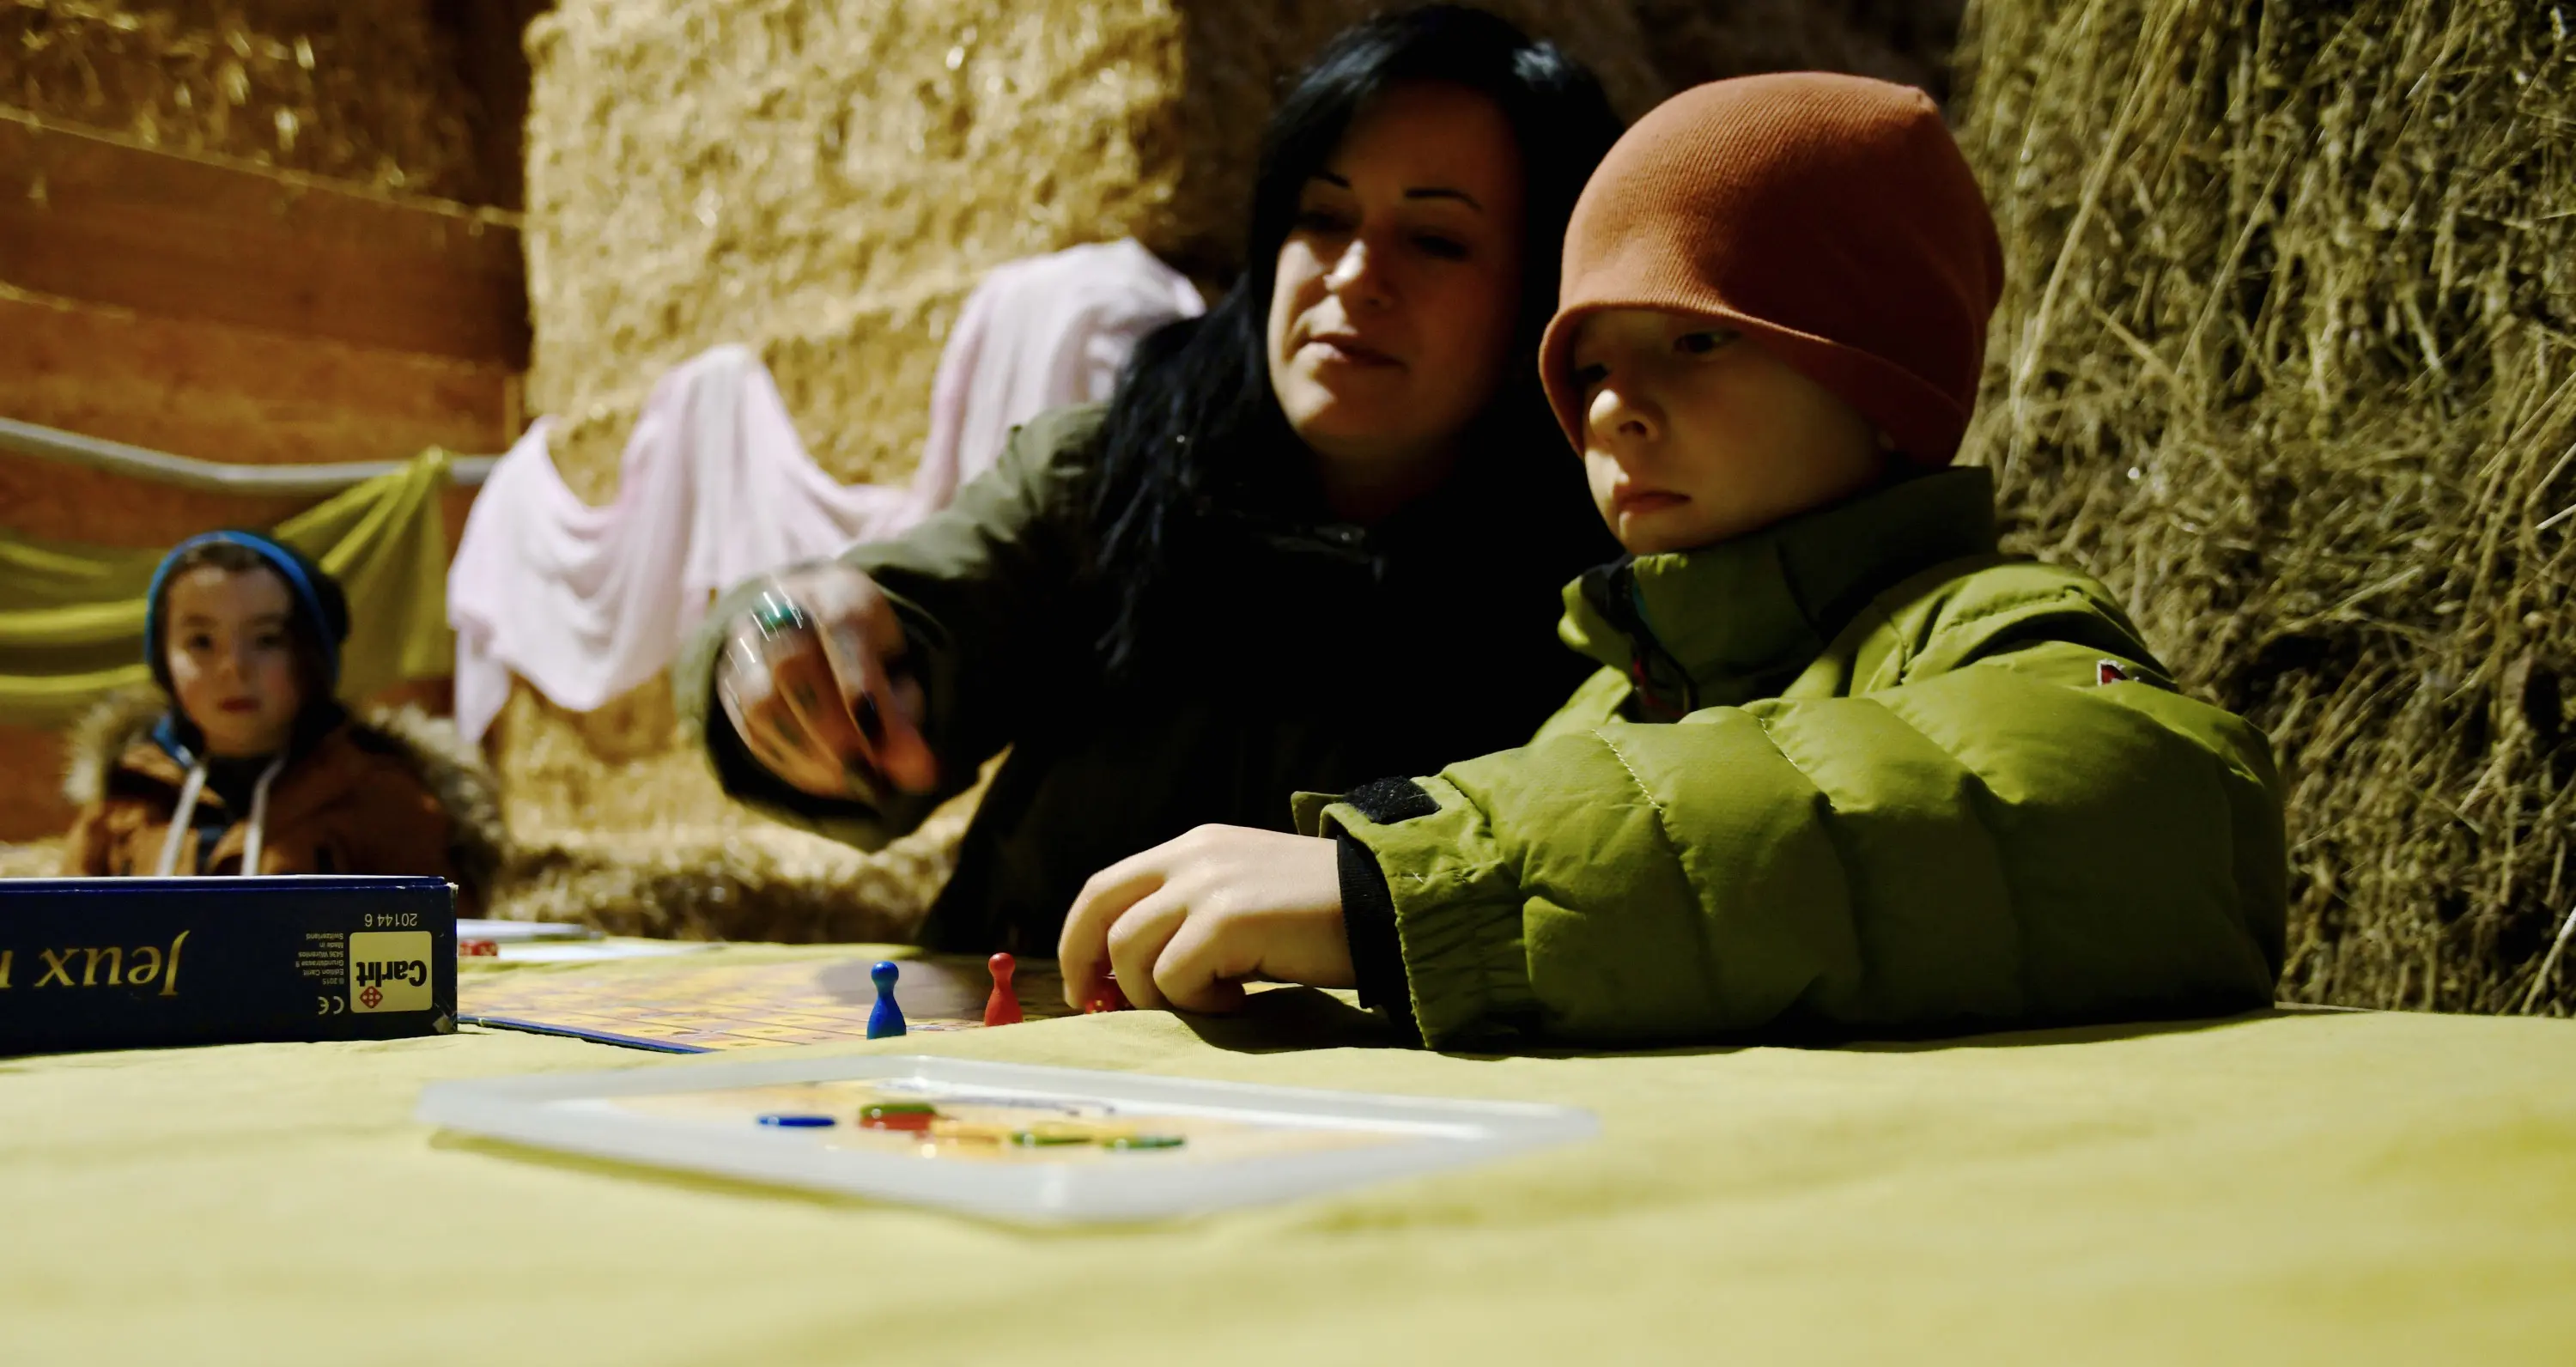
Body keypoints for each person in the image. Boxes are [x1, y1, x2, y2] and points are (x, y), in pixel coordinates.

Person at [1058, 72, 2288, 1044]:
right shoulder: (1608, 697)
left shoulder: (1987, 623)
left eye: (1698, 339)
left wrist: (1419, 890)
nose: (1608, 410)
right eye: (1586, 364)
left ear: (1883, 385)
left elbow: (2161, 813)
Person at [677, 6, 1625, 953]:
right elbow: (912, 624)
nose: (1351, 276)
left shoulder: (1614, 572)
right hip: (1029, 1062)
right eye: (1322, 217)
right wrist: (784, 648)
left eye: (1436, 240)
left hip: (1388, 1090)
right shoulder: (1114, 469)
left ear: (1547, 288)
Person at [61, 532, 501, 908]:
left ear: (311, 656)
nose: (233, 667)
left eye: (267, 639)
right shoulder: (125, 801)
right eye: (200, 641)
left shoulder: (379, 797)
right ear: (162, 660)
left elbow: (446, 957)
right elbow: (59, 945)